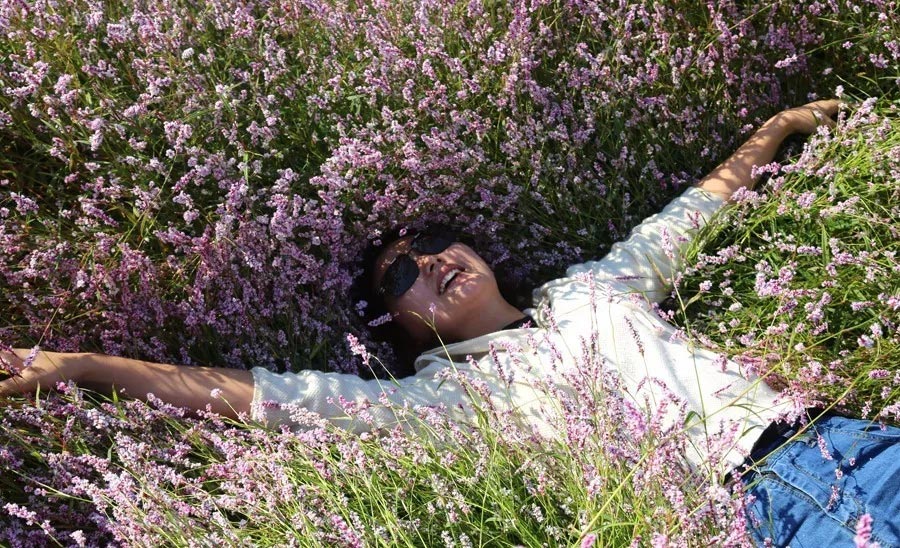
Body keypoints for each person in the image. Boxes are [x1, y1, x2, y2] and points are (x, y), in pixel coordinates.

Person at [2, 100, 898, 545]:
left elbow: (689, 215)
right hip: (771, 511)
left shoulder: (592, 291)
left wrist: (773, 133)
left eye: (432, 241)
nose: (428, 261)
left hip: (843, 439)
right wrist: (84, 364)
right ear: (395, 326)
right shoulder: (444, 404)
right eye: (400, 273)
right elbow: (266, 398)